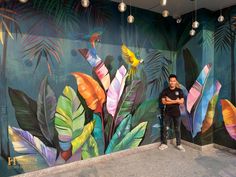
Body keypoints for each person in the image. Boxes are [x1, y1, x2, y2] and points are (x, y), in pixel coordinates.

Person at [159, 74, 185, 152]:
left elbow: (182, 102)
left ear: (175, 81)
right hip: (167, 113)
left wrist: (169, 100)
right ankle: (164, 144)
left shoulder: (179, 91)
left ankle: (179, 144)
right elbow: (163, 102)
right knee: (165, 128)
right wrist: (176, 101)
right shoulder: (165, 91)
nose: (172, 82)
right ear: (169, 81)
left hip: (177, 113)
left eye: (174, 81)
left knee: (178, 129)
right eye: (171, 81)